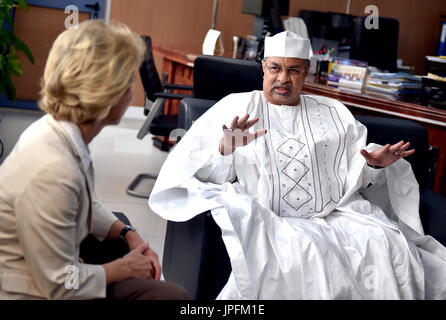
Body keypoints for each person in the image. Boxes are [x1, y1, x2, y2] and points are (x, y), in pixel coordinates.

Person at [149, 31, 446, 299]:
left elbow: (355, 175)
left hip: (336, 215)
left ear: (307, 72)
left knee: (384, 245)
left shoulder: (334, 112)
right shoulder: (236, 106)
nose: (283, 79)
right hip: (270, 217)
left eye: (293, 70)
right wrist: (224, 150)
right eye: (275, 68)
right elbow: (197, 174)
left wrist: (377, 165)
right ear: (263, 68)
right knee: (302, 255)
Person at [0, 19, 188, 300]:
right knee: (173, 296)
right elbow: (59, 285)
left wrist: (127, 233)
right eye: (127, 82)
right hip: (34, 291)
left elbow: (82, 201)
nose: (131, 92)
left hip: (48, 271)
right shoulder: (52, 169)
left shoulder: (60, 131)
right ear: (109, 93)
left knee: (120, 224)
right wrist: (124, 268)